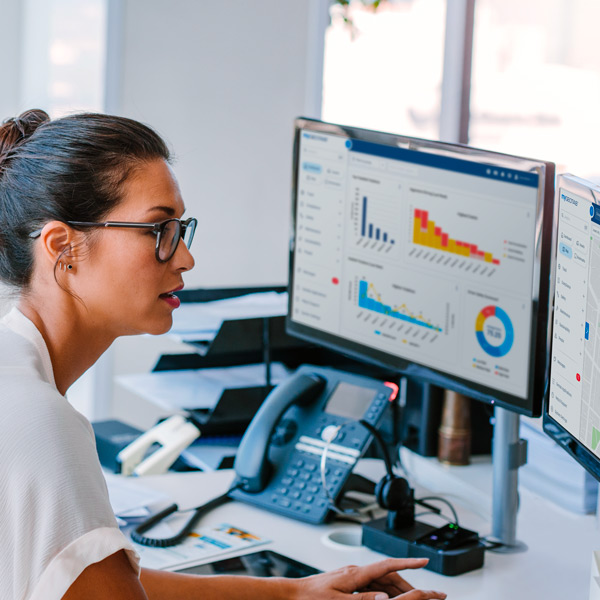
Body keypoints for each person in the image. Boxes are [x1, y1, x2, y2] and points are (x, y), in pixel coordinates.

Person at [0, 109, 447, 600]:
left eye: (180, 229)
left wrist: (292, 594)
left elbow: (92, 581)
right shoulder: (44, 425)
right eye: (158, 231)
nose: (186, 257)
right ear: (63, 248)